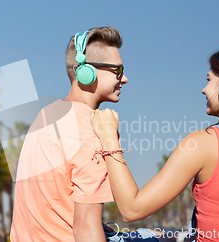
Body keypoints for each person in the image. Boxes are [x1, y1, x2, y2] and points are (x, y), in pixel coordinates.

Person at [90, 45, 219, 242]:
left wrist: (109, 137)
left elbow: (132, 209)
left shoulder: (205, 143)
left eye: (209, 80)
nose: (204, 89)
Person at [10, 27, 129, 242]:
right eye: (117, 71)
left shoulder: (45, 115)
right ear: (87, 72)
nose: (125, 78)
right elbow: (86, 231)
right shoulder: (94, 129)